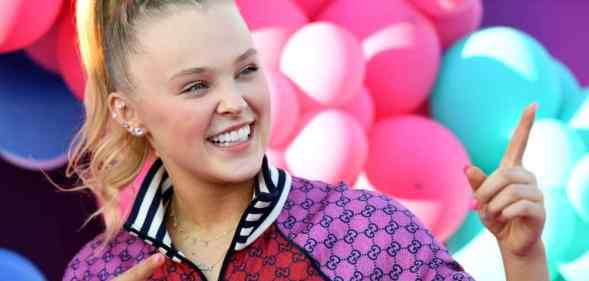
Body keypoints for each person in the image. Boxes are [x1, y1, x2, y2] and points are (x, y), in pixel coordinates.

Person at [62, 0, 549, 280]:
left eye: (246, 70)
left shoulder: (365, 229)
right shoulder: (97, 271)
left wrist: (523, 257)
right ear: (129, 112)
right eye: (197, 86)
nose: (235, 102)